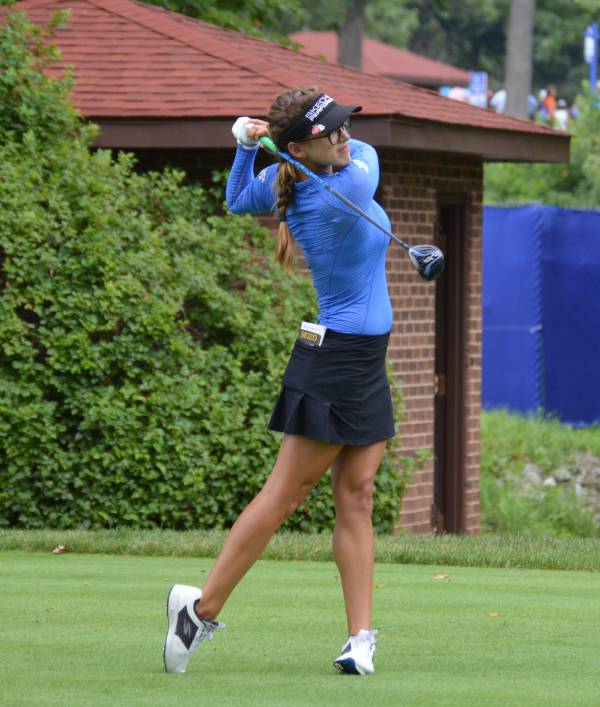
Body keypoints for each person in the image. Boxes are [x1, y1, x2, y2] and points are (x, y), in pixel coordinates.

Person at [163, 87, 396, 677]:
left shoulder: (288, 179)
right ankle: (200, 609)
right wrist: (268, 142)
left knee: (357, 494)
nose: (344, 137)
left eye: (344, 127)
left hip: (363, 358)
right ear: (300, 147)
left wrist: (246, 146)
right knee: (284, 494)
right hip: (336, 359)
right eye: (330, 132)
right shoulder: (346, 187)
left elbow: (239, 197)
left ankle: (359, 638)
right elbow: (364, 157)